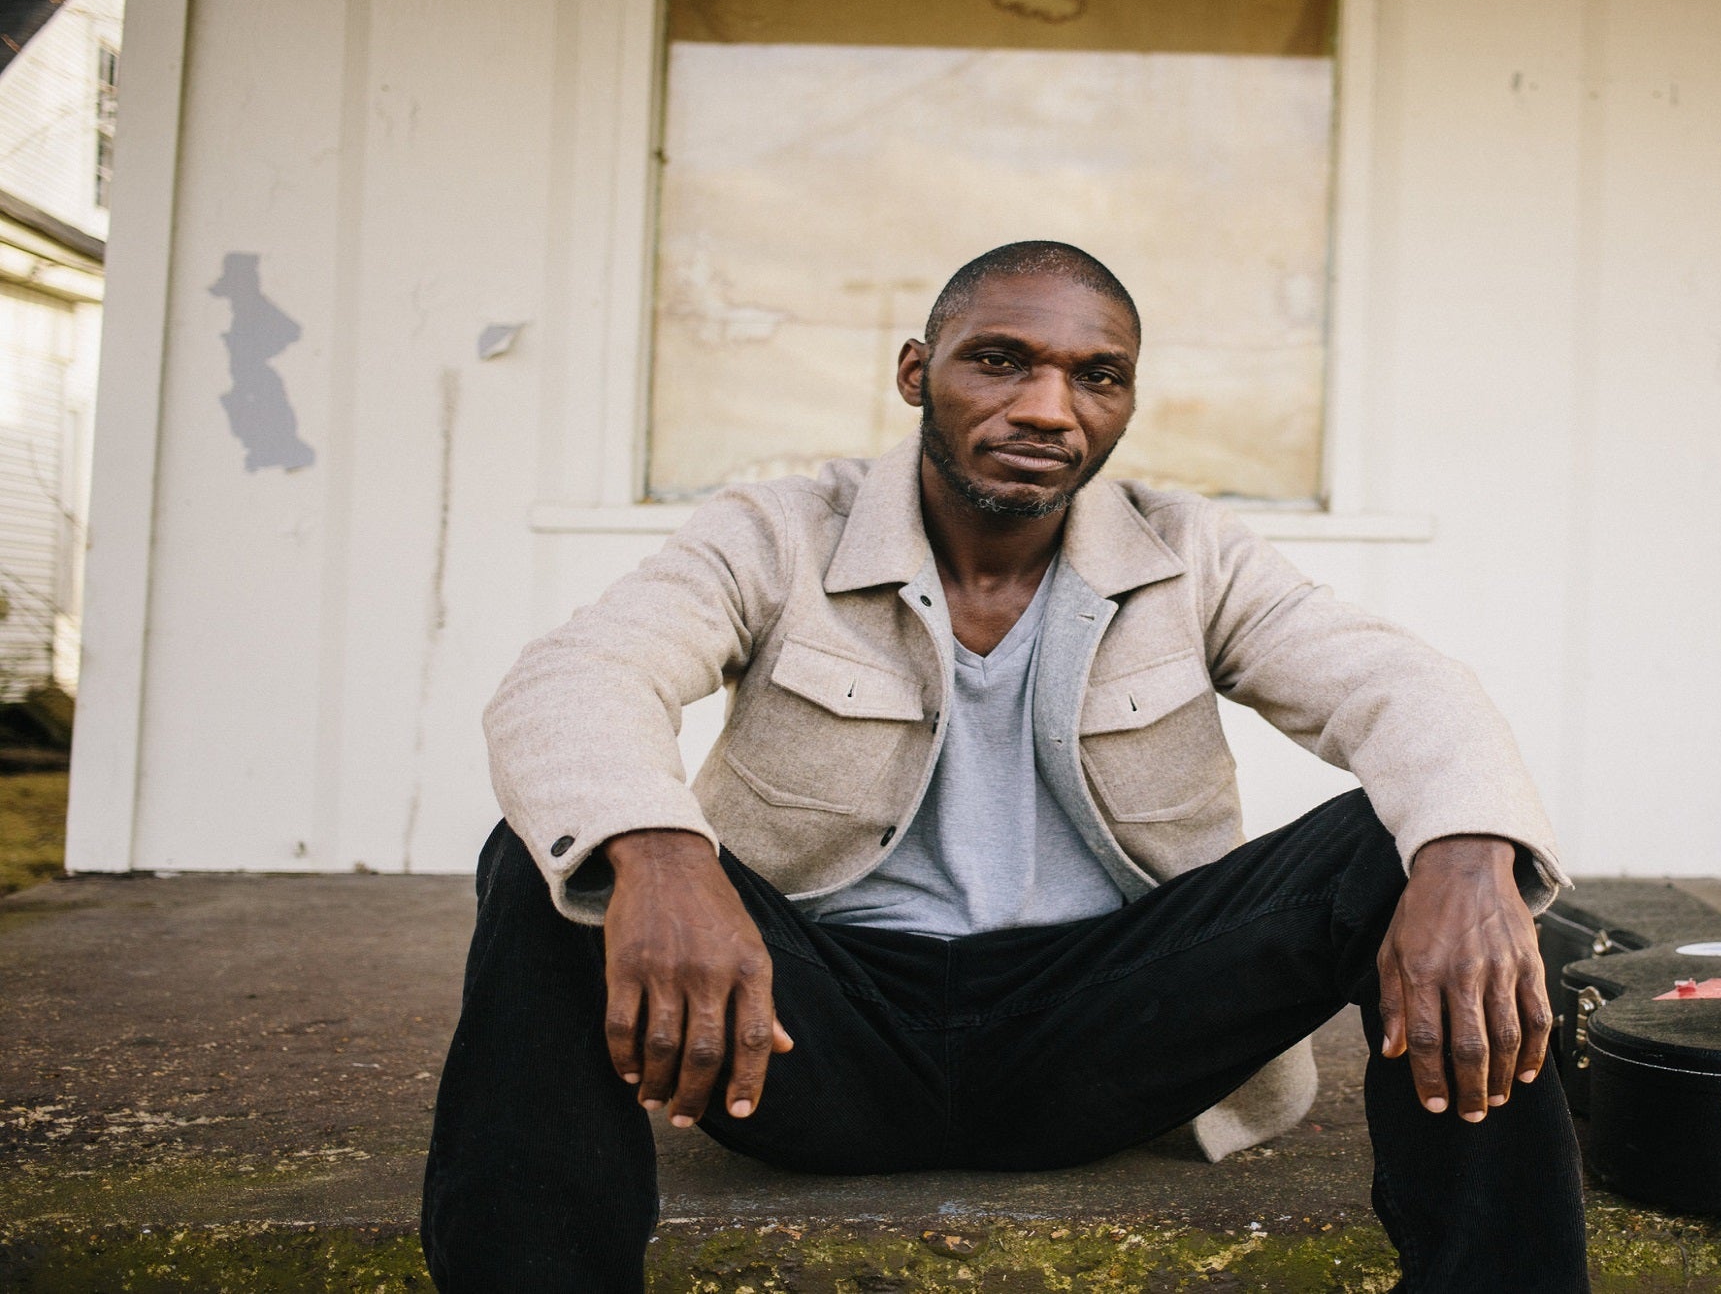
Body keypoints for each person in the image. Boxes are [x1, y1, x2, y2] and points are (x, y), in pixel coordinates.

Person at [420, 241, 1591, 1292]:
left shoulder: (1187, 552)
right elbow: (576, 679)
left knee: (1427, 851)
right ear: (914, 372)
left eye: (1096, 375)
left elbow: (1402, 688)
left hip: (1095, 1034)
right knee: (553, 855)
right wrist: (663, 855)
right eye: (999, 360)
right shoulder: (777, 531)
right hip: (811, 1033)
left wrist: (1468, 857)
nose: (1048, 407)